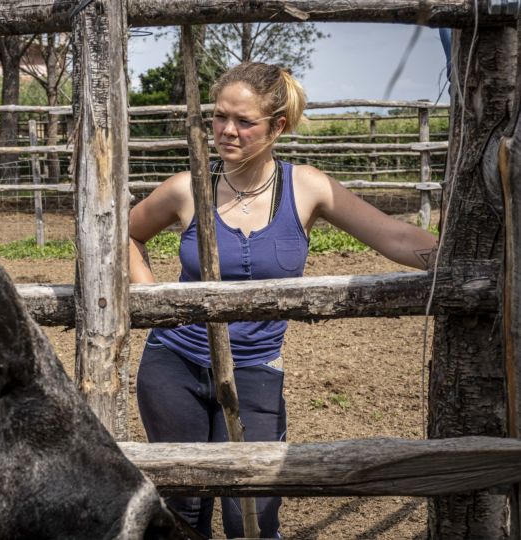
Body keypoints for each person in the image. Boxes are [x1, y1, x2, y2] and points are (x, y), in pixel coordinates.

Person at [128, 62, 438, 539]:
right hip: (175, 364)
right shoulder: (188, 188)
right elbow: (123, 233)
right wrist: (152, 296)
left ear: (277, 126)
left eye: (244, 121)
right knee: (183, 508)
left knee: (253, 511)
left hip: (256, 368)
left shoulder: (307, 187)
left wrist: (459, 259)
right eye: (219, 116)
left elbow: (392, 235)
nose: (227, 130)